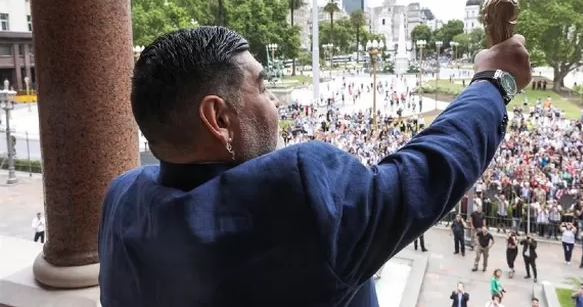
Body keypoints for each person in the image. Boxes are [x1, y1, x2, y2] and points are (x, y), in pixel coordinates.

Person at [97, 27, 531, 306]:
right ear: (220, 119)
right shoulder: (294, 193)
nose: (276, 103)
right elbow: (427, 171)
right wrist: (494, 82)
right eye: (263, 87)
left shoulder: (121, 197)